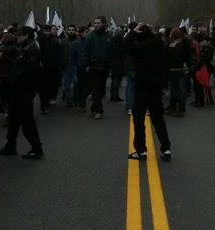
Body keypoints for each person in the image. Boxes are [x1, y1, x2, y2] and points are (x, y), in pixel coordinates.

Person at [124, 23, 172, 161]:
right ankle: (166, 148)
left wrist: (133, 32)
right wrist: (162, 83)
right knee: (158, 119)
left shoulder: (142, 47)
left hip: (142, 87)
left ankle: (141, 150)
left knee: (139, 119)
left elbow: (125, 46)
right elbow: (166, 66)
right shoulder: (160, 46)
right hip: (156, 88)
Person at [0, 26, 45, 159]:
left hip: (24, 91)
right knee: (13, 119)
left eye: (19, 35)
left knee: (27, 120)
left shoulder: (32, 50)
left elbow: (25, 72)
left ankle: (36, 148)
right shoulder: (25, 48)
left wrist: (10, 79)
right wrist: (4, 58)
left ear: (26, 35)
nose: (16, 37)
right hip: (17, 90)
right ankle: (10, 145)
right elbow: (18, 63)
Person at [81, 16, 114, 119]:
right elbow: (86, 52)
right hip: (93, 67)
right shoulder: (90, 37)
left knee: (101, 89)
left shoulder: (109, 36)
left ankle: (95, 106)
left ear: (104, 24)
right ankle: (99, 111)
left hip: (104, 67)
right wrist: (86, 64)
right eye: (95, 23)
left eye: (98, 23)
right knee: (95, 88)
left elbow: (112, 52)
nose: (96, 25)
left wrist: (111, 65)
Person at [166, 28, 191, 117]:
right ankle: (172, 107)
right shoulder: (179, 45)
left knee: (177, 90)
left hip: (175, 70)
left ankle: (181, 108)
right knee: (173, 90)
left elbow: (175, 59)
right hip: (177, 69)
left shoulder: (177, 46)